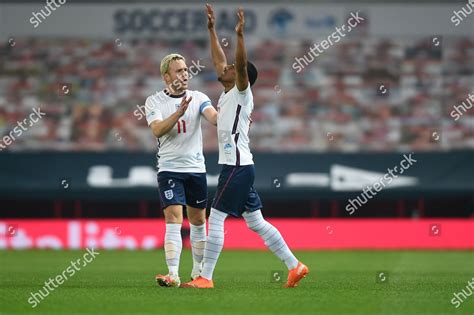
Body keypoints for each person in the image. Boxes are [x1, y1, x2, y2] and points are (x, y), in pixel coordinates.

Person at [182, 5, 309, 289]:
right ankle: (295, 265)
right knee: (256, 222)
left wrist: (239, 36)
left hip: (236, 166)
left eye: (230, 68)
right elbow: (219, 61)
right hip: (241, 165)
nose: (224, 68)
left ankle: (205, 277)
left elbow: (237, 65)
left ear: (242, 77)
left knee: (215, 217)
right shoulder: (229, 92)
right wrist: (212, 30)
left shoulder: (241, 91)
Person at [145, 53, 218, 287]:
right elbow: (157, 130)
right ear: (166, 76)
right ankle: (173, 273)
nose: (185, 74)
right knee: (173, 218)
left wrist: (233, 115)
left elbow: (214, 118)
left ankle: (198, 272)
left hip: (196, 169)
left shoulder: (198, 98)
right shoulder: (154, 101)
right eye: (179, 71)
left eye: (186, 70)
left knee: (198, 221)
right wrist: (178, 113)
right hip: (169, 169)